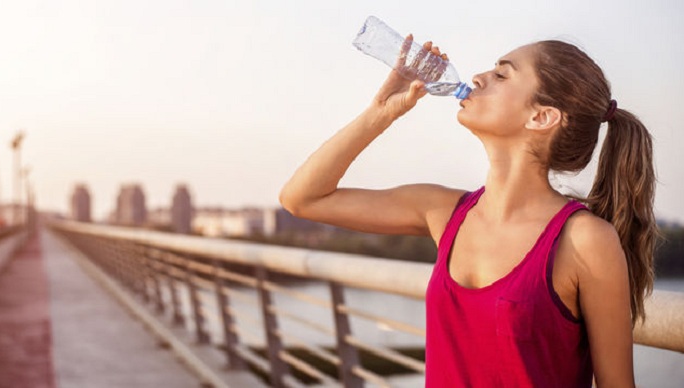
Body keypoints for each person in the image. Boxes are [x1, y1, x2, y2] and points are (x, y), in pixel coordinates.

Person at [279, 35, 656, 387]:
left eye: (501, 74)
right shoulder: (443, 212)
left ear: (541, 117)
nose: (477, 77)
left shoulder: (585, 241)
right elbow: (303, 198)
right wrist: (380, 113)